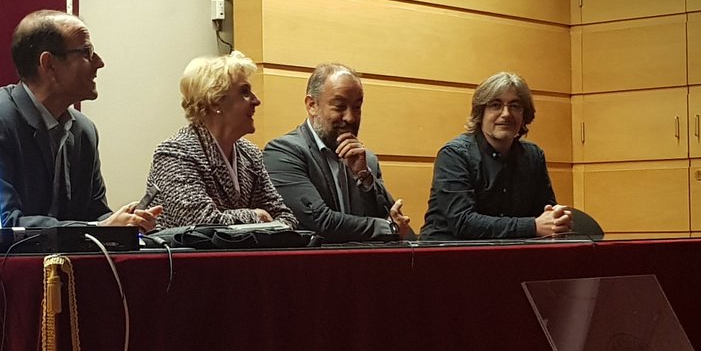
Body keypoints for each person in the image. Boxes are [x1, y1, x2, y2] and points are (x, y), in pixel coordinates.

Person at [0, 9, 162, 231]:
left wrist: (126, 223)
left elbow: (94, 213)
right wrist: (100, 228)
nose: (99, 63)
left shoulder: (84, 130)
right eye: (87, 52)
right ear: (49, 64)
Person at [147, 51, 298, 230]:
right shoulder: (175, 154)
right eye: (245, 92)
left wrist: (250, 220)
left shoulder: (251, 154)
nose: (256, 101)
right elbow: (201, 223)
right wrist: (256, 215)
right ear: (215, 102)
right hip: (185, 258)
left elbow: (286, 218)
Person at [262, 63, 410, 241]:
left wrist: (365, 177)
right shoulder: (283, 152)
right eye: (340, 106)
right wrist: (387, 228)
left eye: (357, 107)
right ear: (312, 105)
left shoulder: (367, 160)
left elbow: (395, 218)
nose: (350, 117)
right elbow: (320, 221)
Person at [420, 71, 572, 240]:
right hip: (448, 255)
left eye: (515, 106)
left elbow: (544, 213)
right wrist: (532, 226)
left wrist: (556, 220)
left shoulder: (533, 156)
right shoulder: (454, 154)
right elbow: (463, 222)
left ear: (524, 115)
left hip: (509, 254)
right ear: (480, 113)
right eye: (495, 105)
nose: (506, 114)